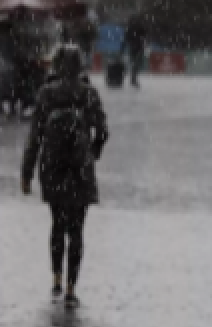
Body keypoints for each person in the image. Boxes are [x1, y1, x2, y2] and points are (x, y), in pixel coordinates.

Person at [21, 44, 109, 309]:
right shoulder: (89, 93)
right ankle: (72, 286)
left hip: (53, 166)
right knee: (77, 229)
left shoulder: (47, 93)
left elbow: (34, 137)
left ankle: (56, 277)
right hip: (80, 168)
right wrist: (92, 154)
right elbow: (103, 131)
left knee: (57, 223)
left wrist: (27, 172)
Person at [124, 17, 147, 88]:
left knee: (135, 63)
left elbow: (126, 39)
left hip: (134, 47)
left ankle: (133, 78)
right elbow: (144, 36)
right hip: (137, 47)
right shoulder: (138, 28)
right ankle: (133, 78)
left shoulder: (130, 29)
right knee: (136, 63)